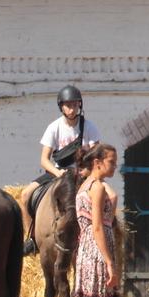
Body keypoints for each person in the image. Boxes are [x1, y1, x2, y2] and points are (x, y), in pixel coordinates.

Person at [20, 84, 101, 255]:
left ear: (80, 105)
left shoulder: (90, 127)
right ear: (61, 107)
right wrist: (57, 173)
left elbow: (96, 156)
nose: (72, 109)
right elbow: (44, 159)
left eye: (75, 104)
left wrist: (86, 173)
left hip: (82, 175)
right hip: (57, 172)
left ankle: (102, 233)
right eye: (68, 105)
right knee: (25, 194)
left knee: (104, 197)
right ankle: (31, 239)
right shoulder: (54, 127)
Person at [73, 143, 120, 297]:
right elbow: (98, 227)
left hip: (90, 248)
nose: (115, 166)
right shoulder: (97, 188)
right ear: (97, 162)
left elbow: (112, 201)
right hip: (97, 250)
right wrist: (109, 261)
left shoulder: (87, 186)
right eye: (111, 161)